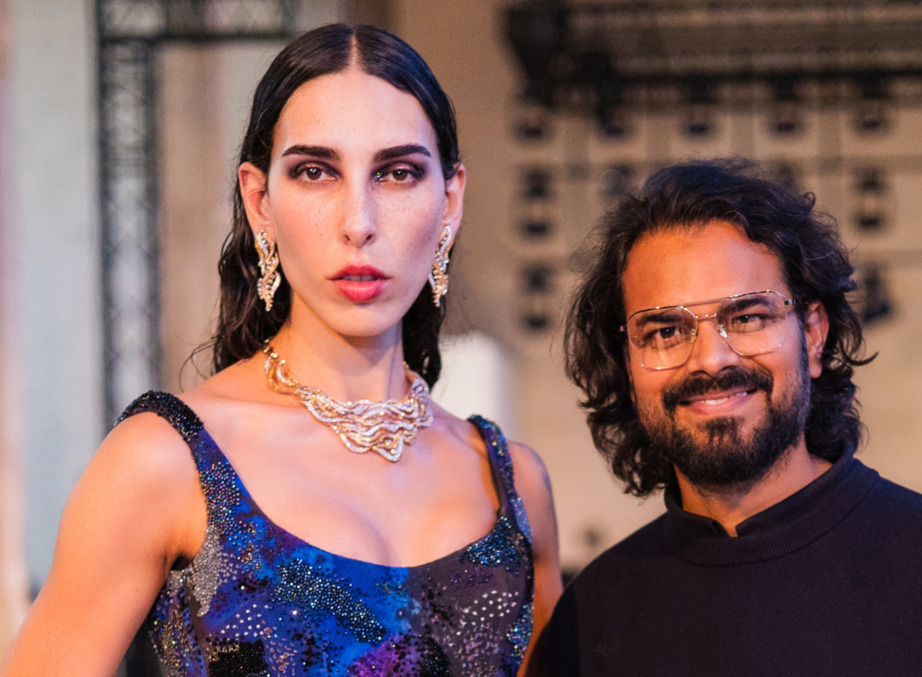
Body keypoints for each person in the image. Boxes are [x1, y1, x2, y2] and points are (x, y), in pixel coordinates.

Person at [2, 23, 560, 676]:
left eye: (399, 172)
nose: (359, 221)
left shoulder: (513, 483)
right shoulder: (165, 459)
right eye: (316, 172)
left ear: (450, 200)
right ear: (259, 199)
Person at [532, 159, 922, 676]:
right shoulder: (591, 621)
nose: (710, 359)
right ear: (628, 365)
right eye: (664, 331)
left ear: (812, 335)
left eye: (747, 318)